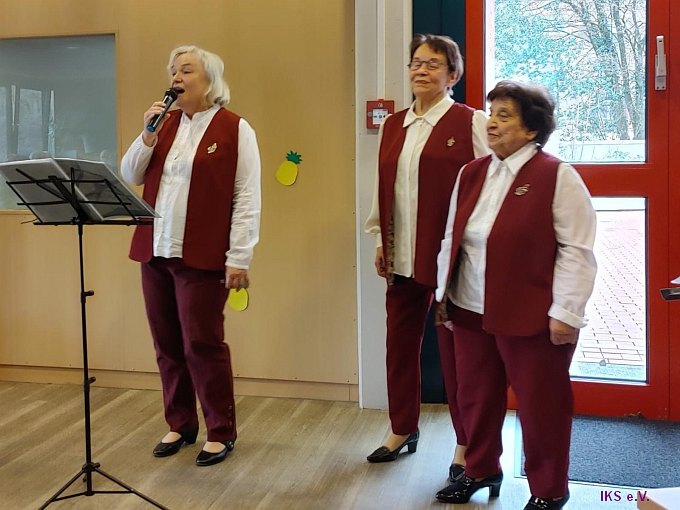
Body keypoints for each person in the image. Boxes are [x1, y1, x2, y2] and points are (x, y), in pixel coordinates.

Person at [433, 80, 597, 509]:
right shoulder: (471, 173)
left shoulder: (556, 176)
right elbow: (452, 237)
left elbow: (577, 250)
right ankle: (481, 468)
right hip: (469, 307)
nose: (492, 122)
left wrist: (566, 312)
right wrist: (443, 295)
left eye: (504, 115)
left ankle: (549, 490)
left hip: (532, 315)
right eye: (491, 113)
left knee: (542, 406)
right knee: (475, 396)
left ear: (532, 129)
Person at [121, 45, 261, 467]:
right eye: (173, 71)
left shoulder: (235, 128)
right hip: (155, 250)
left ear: (210, 80)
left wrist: (239, 256)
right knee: (166, 342)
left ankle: (221, 430)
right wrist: (147, 134)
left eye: (186, 70)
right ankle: (180, 423)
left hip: (202, 255)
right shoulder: (163, 125)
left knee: (202, 342)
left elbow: (246, 196)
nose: (176, 78)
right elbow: (130, 173)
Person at [364, 34, 488, 479]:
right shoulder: (393, 125)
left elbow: (488, 188)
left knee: (457, 357)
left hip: (450, 259)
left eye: (433, 64)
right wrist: (381, 240)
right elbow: (385, 188)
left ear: (453, 75)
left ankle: (466, 444)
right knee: (398, 347)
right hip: (402, 254)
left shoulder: (471, 122)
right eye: (416, 62)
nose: (421, 70)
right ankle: (402, 429)